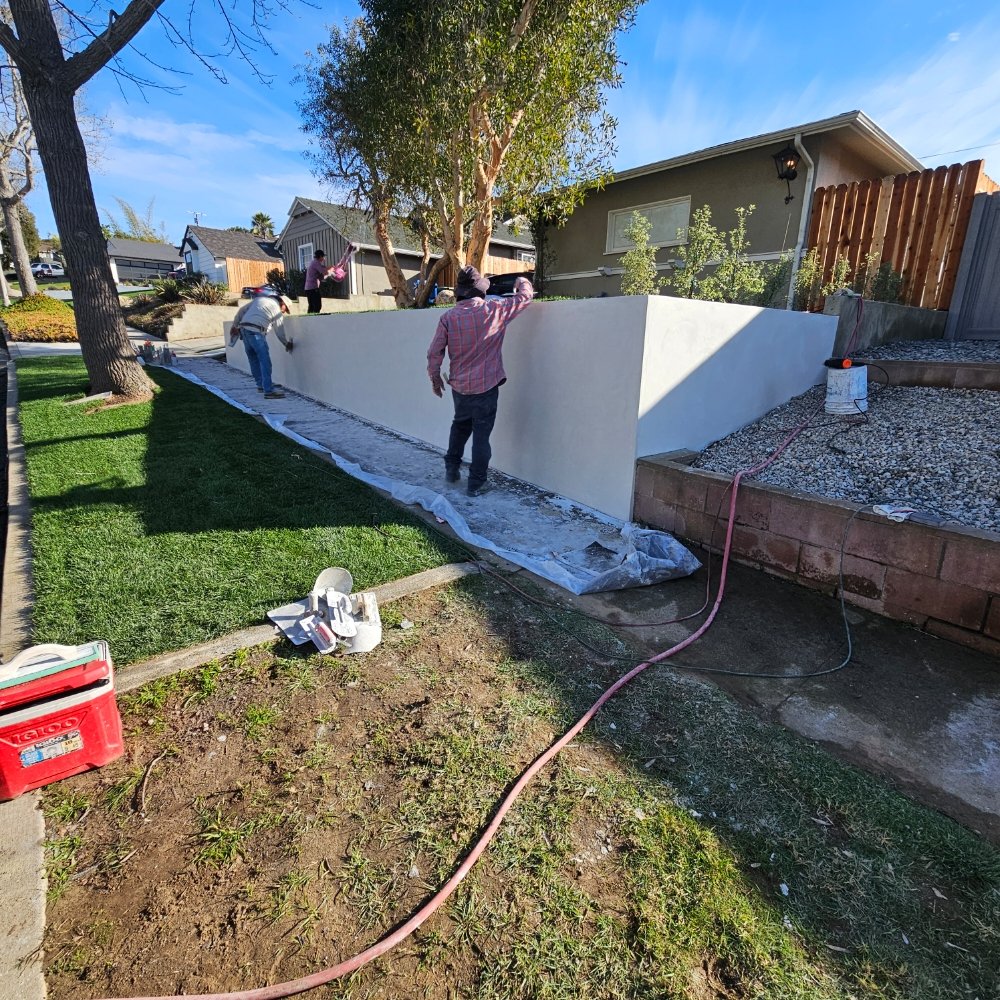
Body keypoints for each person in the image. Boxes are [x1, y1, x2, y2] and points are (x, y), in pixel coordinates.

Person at [427, 266, 534, 497]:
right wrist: (522, 281)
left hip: (459, 387)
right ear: (479, 291)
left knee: (460, 426)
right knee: (481, 435)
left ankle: (452, 470)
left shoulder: (448, 318)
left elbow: (434, 352)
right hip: (486, 386)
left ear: (460, 292)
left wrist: (435, 379)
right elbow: (525, 297)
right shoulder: (495, 309)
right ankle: (476, 483)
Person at [230, 287, 294, 398]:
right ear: (282, 303)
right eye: (285, 309)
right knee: (265, 362)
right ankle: (268, 391)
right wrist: (286, 344)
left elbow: (241, 311)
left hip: (244, 331)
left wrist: (234, 325)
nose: (284, 312)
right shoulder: (276, 309)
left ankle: (261, 385)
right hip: (255, 332)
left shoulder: (259, 300)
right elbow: (279, 331)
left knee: (253, 360)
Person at [304, 245, 354, 314]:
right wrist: (332, 272)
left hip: (309, 288)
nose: (324, 258)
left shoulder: (314, 263)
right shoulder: (316, 263)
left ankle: (309, 319)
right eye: (323, 257)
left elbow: (322, 275)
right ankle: (314, 319)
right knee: (317, 305)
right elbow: (325, 272)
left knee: (312, 305)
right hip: (313, 288)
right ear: (320, 256)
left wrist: (334, 268)